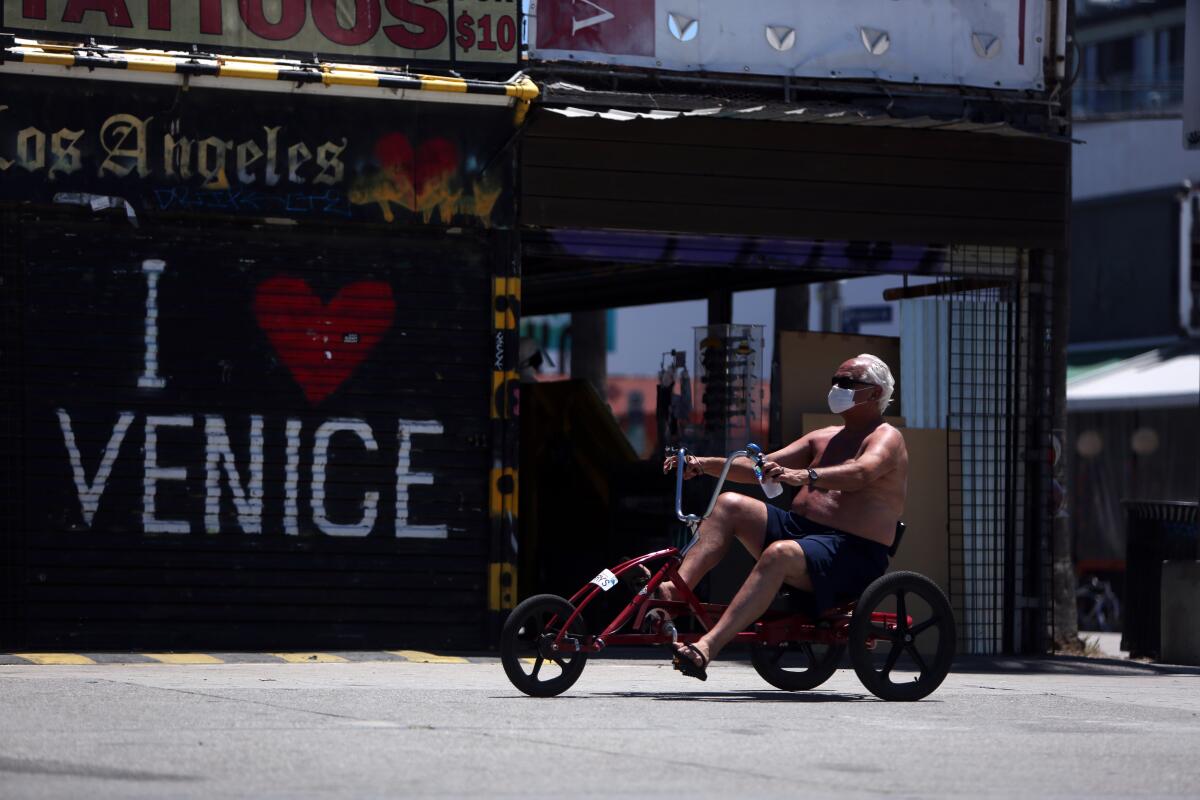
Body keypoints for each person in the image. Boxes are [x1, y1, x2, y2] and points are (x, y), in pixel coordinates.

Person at [660, 354, 908, 680]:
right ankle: (675, 592)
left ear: (875, 393)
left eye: (846, 383)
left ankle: (707, 647)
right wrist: (701, 464)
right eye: (834, 381)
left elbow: (861, 474)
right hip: (802, 532)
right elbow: (760, 468)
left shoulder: (886, 438)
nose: (836, 388)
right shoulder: (824, 436)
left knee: (780, 554)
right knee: (729, 503)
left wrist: (803, 476)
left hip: (850, 551)